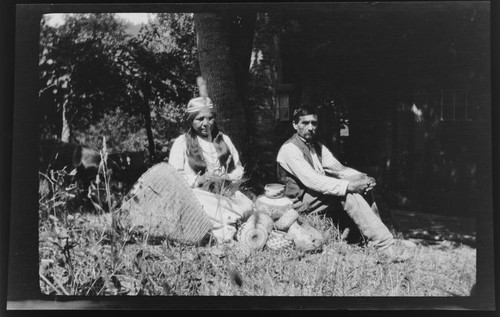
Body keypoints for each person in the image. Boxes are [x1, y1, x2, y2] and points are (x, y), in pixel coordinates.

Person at [276, 106, 396, 255]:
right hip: (297, 200)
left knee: (363, 188)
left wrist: (362, 178)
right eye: (305, 123)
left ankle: (368, 239)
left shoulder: (317, 146)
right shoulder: (290, 148)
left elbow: (339, 169)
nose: (310, 127)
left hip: (314, 195)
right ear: (295, 125)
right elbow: (311, 180)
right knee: (347, 192)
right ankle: (384, 246)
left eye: (314, 123)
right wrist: (349, 185)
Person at [168, 96, 253, 242]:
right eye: (200, 119)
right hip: (198, 195)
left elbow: (238, 169)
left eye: (210, 118)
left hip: (223, 192)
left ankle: (223, 225)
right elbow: (174, 176)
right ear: (190, 120)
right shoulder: (181, 143)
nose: (206, 124)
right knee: (203, 202)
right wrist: (199, 179)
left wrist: (228, 177)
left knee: (247, 204)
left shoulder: (224, 140)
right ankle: (228, 224)